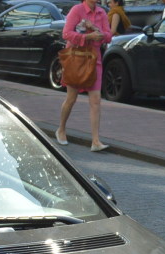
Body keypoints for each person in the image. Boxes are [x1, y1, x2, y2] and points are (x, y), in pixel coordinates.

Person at [56, 0, 110, 152]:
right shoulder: (77, 10)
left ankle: (95, 141)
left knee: (96, 100)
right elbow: (66, 33)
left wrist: (98, 33)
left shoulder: (102, 12)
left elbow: (108, 36)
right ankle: (61, 129)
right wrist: (87, 37)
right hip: (76, 59)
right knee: (71, 98)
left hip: (94, 60)